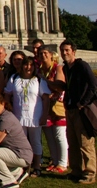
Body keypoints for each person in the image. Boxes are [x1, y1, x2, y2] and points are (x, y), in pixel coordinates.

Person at [55, 39, 97, 184]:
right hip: (70, 108)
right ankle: (76, 170)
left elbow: (93, 85)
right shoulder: (67, 67)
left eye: (67, 50)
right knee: (72, 141)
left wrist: (82, 102)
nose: (64, 53)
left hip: (82, 109)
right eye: (62, 50)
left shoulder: (82, 65)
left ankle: (90, 173)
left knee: (85, 142)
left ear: (73, 51)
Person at [4, 56, 50, 178]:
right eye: (26, 64)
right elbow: (7, 94)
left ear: (34, 67)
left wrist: (44, 115)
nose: (28, 67)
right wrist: (9, 109)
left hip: (34, 115)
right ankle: (23, 166)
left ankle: (36, 167)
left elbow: (46, 99)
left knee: (36, 142)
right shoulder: (14, 78)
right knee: (21, 143)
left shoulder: (39, 80)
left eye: (31, 65)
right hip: (18, 116)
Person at [37, 45, 67, 173]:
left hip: (58, 107)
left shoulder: (57, 68)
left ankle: (63, 162)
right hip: (45, 107)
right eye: (40, 54)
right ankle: (54, 161)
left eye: (45, 53)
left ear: (50, 55)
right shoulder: (40, 70)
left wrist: (46, 81)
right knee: (49, 136)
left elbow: (60, 86)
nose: (43, 56)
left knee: (59, 135)